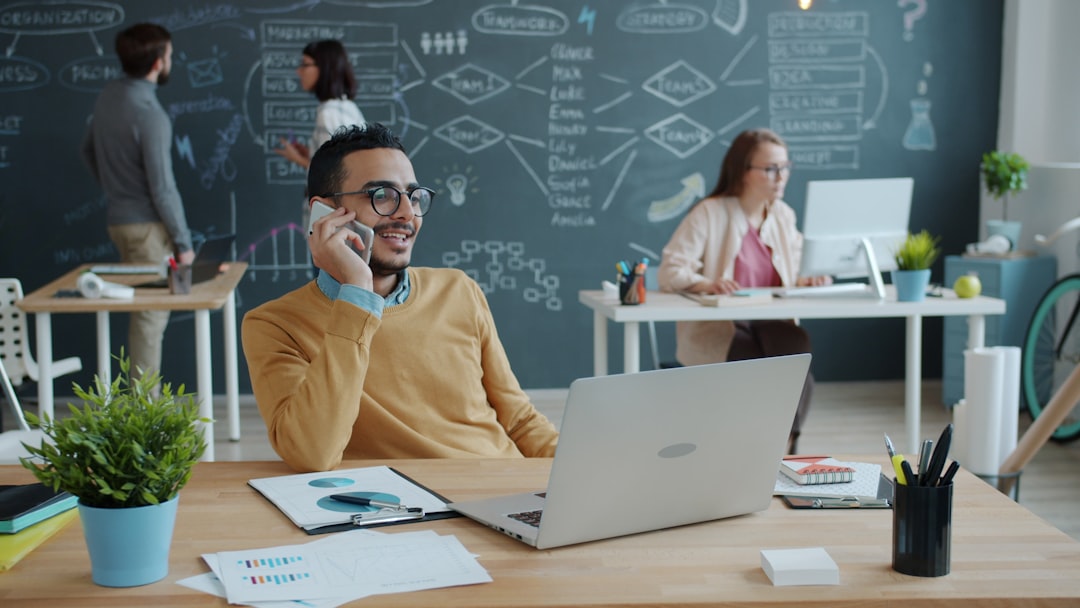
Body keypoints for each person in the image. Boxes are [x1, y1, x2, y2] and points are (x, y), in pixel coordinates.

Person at [242, 123, 558, 472]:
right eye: (382, 195)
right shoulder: (274, 324)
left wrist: (585, 468)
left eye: (413, 196)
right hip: (403, 512)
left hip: (505, 493)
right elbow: (311, 453)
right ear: (325, 213)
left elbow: (519, 422)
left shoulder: (459, 290)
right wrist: (357, 293)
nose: (407, 214)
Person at [657, 128, 831, 454]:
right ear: (743, 171)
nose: (781, 177)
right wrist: (705, 284)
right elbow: (671, 270)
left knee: (797, 347)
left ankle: (783, 446)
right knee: (760, 367)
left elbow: (794, 269)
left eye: (785, 167)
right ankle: (755, 451)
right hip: (725, 330)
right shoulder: (709, 213)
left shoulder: (783, 215)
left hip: (769, 325)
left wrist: (808, 280)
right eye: (770, 169)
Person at [81, 23, 193, 381]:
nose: (171, 60)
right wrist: (184, 245)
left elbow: (86, 151)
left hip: (119, 221)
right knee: (149, 317)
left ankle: (139, 408)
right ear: (158, 62)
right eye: (170, 55)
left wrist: (116, 191)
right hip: (147, 230)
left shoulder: (109, 96)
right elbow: (163, 188)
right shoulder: (150, 114)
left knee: (141, 313)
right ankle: (145, 414)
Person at [273, 39, 365, 232]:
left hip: (332, 225)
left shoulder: (329, 113)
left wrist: (298, 160)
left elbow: (335, 174)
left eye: (305, 64)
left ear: (324, 67)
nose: (299, 71)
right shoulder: (345, 107)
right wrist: (310, 155)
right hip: (343, 223)